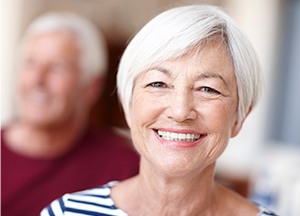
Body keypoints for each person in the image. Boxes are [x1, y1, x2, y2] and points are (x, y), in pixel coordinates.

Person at [40, 5, 278, 216]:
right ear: (128, 105)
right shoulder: (66, 213)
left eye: (208, 89)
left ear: (240, 116)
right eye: (158, 84)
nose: (180, 110)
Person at [1, 12, 139, 216]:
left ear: (92, 86)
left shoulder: (126, 167)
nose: (37, 80)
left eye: (57, 67)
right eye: (30, 64)